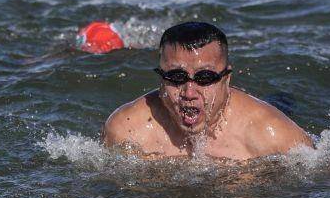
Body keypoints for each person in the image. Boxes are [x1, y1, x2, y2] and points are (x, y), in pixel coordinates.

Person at [103, 21, 313, 160]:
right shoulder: (126, 130)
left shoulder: (276, 136)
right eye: (177, 77)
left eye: (205, 78)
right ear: (161, 78)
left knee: (280, 104)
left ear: (227, 78)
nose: (189, 92)